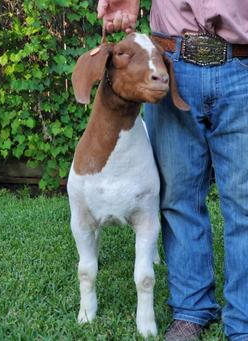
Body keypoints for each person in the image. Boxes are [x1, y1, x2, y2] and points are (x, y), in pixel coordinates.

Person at [97, 1, 248, 340]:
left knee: (245, 203)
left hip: (243, 65)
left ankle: (245, 320)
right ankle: (191, 310)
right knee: (178, 196)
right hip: (170, 62)